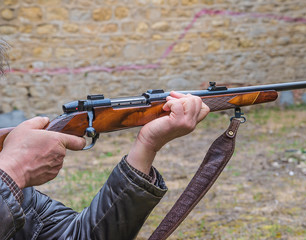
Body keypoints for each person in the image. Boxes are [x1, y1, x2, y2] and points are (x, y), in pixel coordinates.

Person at [0, 40, 210, 239]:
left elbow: (80, 236)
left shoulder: (19, 191)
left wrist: (147, 146)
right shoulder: (10, 175)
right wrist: (14, 171)